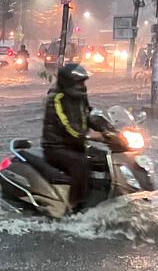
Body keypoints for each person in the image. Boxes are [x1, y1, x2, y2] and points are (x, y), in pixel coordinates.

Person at [42, 63, 109, 211]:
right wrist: (89, 136)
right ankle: (75, 205)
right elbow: (66, 125)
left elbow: (89, 115)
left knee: (107, 160)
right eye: (79, 82)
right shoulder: (56, 99)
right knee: (81, 163)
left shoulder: (80, 96)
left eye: (83, 82)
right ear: (69, 82)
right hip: (57, 147)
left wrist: (109, 128)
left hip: (78, 144)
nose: (82, 85)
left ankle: (106, 199)